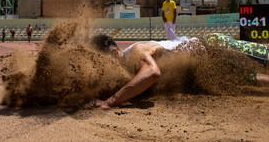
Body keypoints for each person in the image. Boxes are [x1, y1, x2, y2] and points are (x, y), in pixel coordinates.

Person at [90, 33, 269, 108]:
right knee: (254, 79)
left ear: (114, 53)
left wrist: (110, 101)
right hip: (209, 71)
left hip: (215, 48)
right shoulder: (127, 69)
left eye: (102, 62)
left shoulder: (135, 52)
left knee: (265, 61)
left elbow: (152, 73)